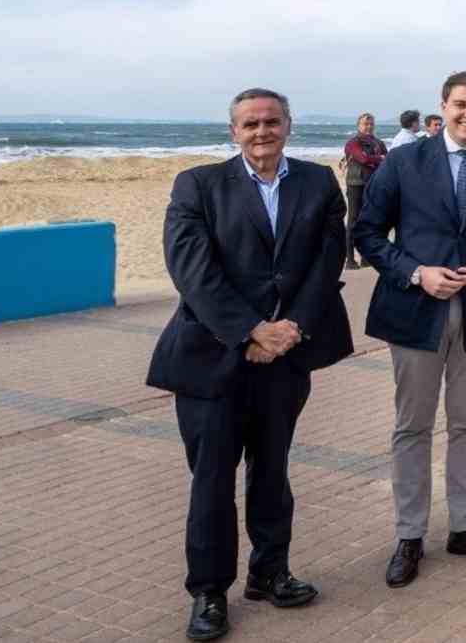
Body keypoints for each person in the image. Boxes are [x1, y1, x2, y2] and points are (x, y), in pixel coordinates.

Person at [146, 88, 355, 642]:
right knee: (212, 480)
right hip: (209, 358)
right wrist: (250, 331)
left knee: (272, 470)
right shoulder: (198, 185)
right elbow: (192, 269)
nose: (262, 131)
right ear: (233, 131)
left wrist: (290, 330)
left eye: (272, 121)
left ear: (289, 125)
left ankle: (270, 572)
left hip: (286, 356)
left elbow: (326, 261)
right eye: (250, 123)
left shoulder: (317, 182)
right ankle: (209, 592)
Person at [354, 71, 466, 588]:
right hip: (414, 310)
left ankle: (464, 526)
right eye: (461, 104)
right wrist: (415, 272)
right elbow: (366, 231)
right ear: (443, 106)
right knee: (412, 426)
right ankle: (409, 535)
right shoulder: (404, 161)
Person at [341, 113, 388, 269]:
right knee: (353, 221)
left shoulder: (378, 142)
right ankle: (349, 259)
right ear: (358, 126)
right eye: (365, 124)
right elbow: (363, 159)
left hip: (374, 184)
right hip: (356, 184)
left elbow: (387, 160)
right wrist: (378, 158)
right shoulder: (352, 143)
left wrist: (376, 158)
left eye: (371, 124)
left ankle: (366, 258)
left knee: (370, 221)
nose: (368, 126)